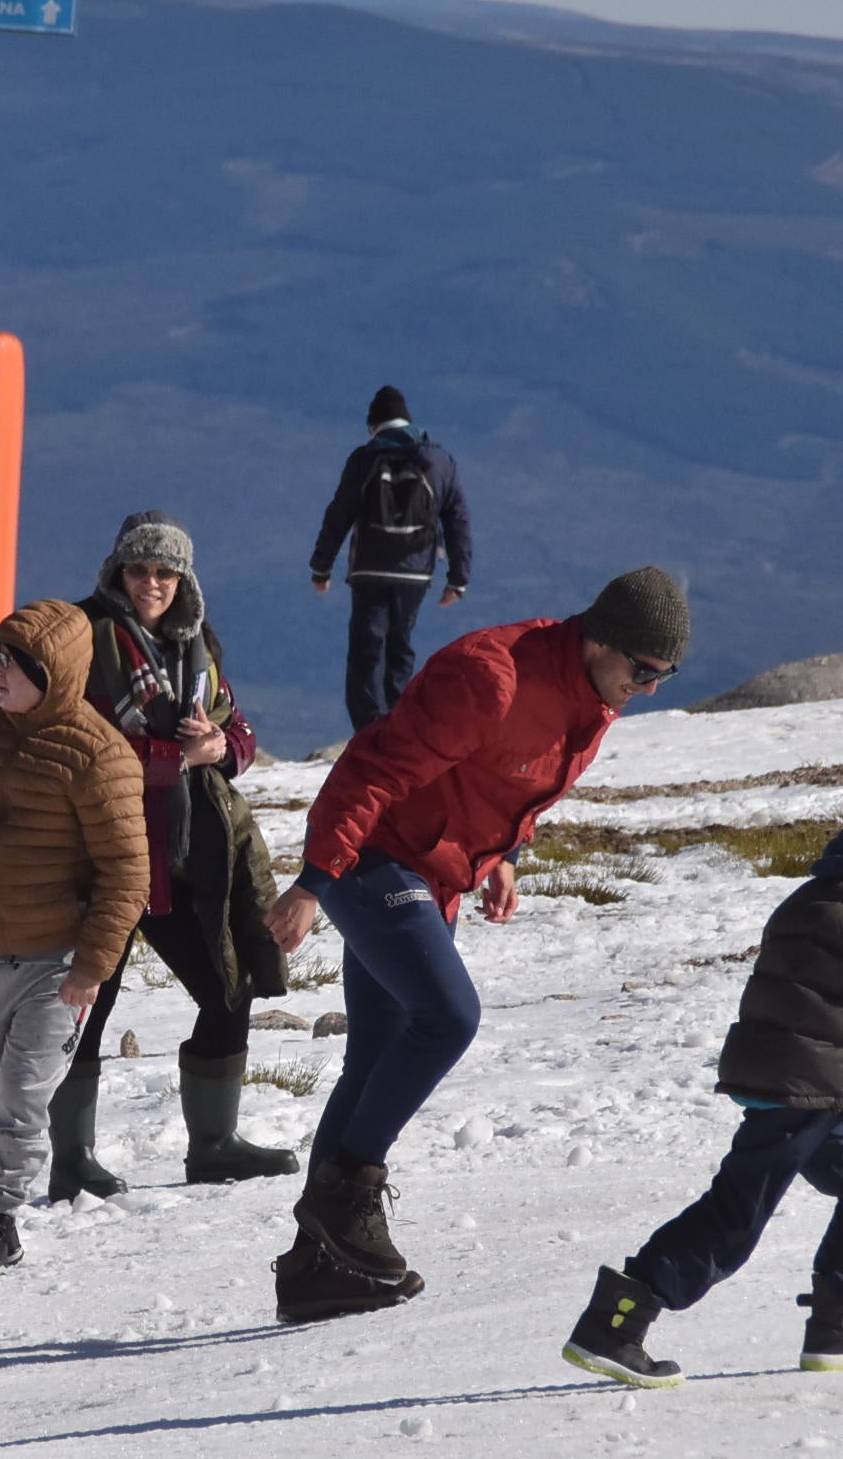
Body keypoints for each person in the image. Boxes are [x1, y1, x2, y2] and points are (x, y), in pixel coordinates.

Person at [263, 565, 690, 1324]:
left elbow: (511, 783)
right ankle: (348, 1195)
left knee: (374, 1055)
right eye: (644, 670)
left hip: (439, 876)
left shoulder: (596, 695)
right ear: (600, 641)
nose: (651, 689)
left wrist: (503, 858)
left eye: (667, 675)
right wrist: (312, 884)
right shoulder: (489, 677)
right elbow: (367, 771)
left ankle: (316, 1270)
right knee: (449, 1018)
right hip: (374, 861)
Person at [563, 754, 843, 1385]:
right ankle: (616, 1322)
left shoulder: (814, 891)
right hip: (810, 1086)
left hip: (790, 1073)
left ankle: (839, 1325)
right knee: (735, 1215)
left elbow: (823, 1010)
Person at [49, 511, 298, 1198]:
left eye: (164, 571)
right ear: (116, 570)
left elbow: (234, 721)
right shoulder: (84, 637)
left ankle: (213, 1145)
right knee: (86, 1004)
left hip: (187, 858)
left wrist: (223, 749)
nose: (151, 583)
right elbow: (71, 742)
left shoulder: (195, 644)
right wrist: (169, 758)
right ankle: (71, 1161)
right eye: (139, 569)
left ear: (182, 577)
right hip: (105, 856)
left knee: (231, 987)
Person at [0, 600, 147, 1281]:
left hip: (58, 962)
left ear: (58, 671)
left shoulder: (99, 752)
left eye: (15, 664)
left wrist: (93, 966)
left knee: (20, 1094)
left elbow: (127, 872)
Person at [310, 386, 473, 735]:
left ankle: (369, 731)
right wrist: (458, 578)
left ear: (373, 425)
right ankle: (399, 728)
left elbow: (338, 514)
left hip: (369, 569)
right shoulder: (439, 460)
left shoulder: (364, 459)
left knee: (366, 651)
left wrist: (321, 567)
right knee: (401, 648)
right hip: (415, 573)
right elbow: (456, 518)